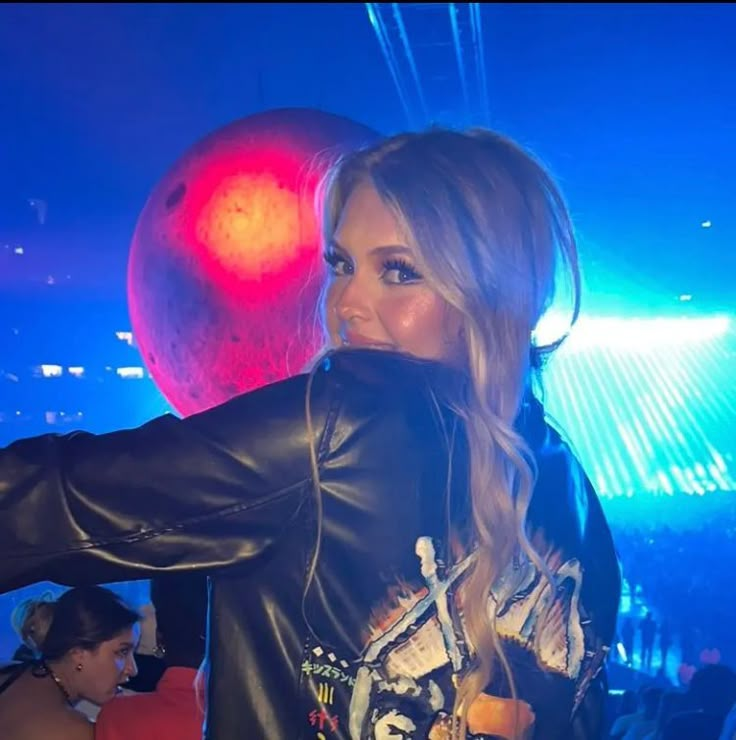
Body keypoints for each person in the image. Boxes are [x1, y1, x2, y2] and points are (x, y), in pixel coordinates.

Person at [0, 127, 621, 739]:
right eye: (342, 264)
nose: (347, 303)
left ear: (495, 288)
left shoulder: (343, 427)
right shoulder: (573, 492)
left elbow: (45, 501)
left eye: (400, 271)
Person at [0, 586, 140, 739]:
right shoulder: (72, 732)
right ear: (78, 653)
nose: (132, 669)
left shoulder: (8, 673)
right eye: (122, 652)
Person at [94, 573, 208, 740]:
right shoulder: (251, 711)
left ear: (158, 636)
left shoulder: (120, 717)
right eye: (123, 652)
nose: (131, 669)